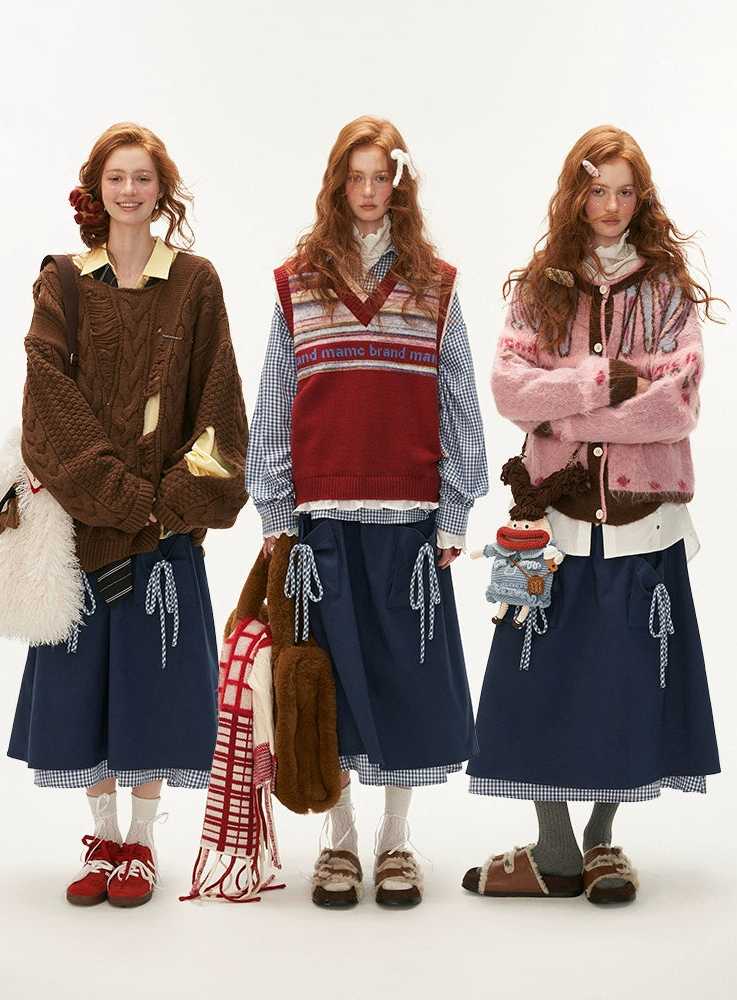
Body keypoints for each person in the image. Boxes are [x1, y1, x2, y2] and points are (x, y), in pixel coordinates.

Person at [463, 125, 721, 904]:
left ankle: (602, 843)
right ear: (576, 196)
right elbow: (510, 391)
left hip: (643, 524)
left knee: (628, 683)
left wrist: (562, 411)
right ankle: (555, 850)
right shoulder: (538, 288)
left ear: (641, 198)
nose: (610, 205)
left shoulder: (666, 290)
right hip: (547, 524)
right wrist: (606, 383)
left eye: (624, 190)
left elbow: (676, 406)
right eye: (597, 189)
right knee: (532, 680)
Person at [247, 115, 488, 908]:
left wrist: (454, 511)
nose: (369, 191)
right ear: (336, 184)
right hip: (321, 522)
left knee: (405, 683)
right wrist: (276, 512)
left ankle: (395, 841)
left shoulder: (436, 284)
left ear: (400, 185)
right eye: (355, 177)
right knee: (327, 686)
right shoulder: (297, 282)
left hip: (409, 522)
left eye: (382, 177)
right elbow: (274, 401)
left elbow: (459, 400)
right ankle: (340, 840)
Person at [8, 122, 249, 907]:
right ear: (96, 188)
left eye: (143, 177)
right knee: (85, 694)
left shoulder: (197, 282)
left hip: (165, 535)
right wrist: (122, 499)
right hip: (84, 532)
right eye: (117, 177)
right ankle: (104, 838)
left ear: (161, 190)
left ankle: (141, 845)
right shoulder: (63, 284)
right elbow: (48, 402)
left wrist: (165, 507)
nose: (130, 190)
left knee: (152, 691)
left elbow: (220, 413)